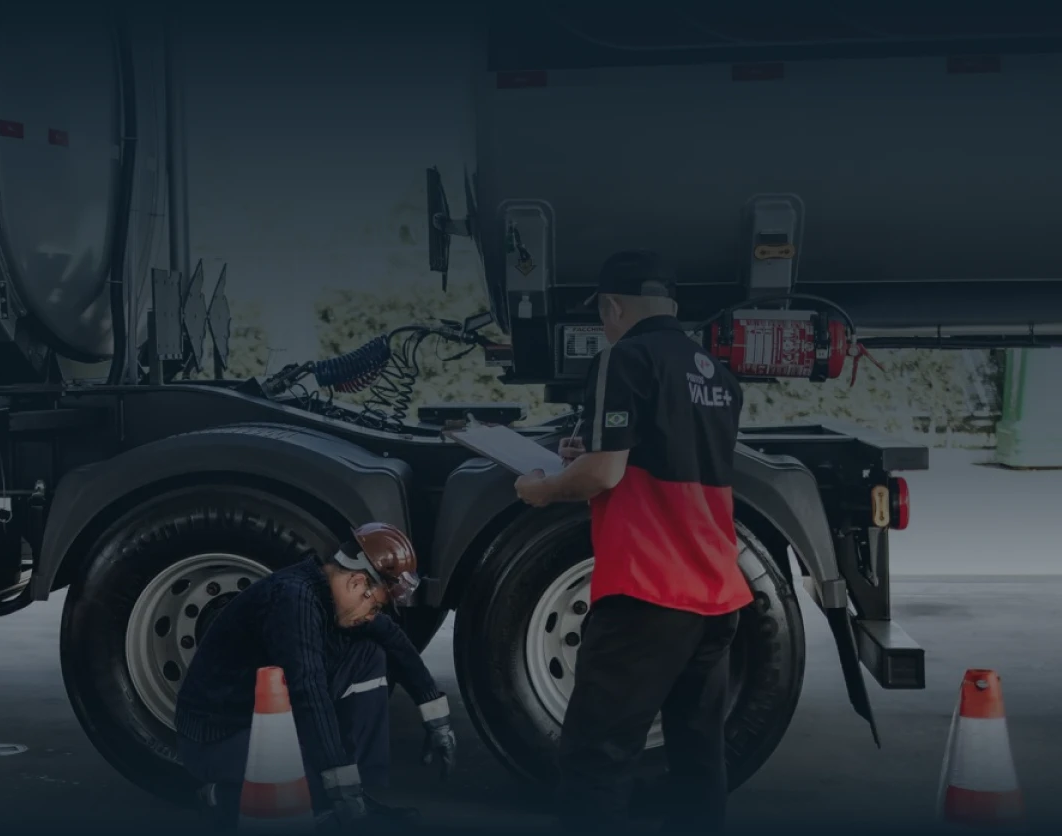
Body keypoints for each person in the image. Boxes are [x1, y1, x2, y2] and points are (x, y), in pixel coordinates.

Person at [513, 250, 751, 832]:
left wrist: (543, 489)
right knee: (698, 756)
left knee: (596, 757)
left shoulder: (625, 358)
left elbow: (603, 476)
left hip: (648, 592)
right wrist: (591, 453)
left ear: (612, 308)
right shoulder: (717, 375)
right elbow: (667, 454)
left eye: (603, 315)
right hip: (716, 591)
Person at [174, 522, 460, 829]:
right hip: (218, 736)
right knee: (313, 783)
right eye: (376, 606)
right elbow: (308, 691)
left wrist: (437, 719)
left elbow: (394, 640)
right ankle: (220, 797)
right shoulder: (293, 600)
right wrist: (338, 780)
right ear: (356, 583)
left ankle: (354, 798)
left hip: (266, 720)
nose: (372, 616)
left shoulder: (331, 595)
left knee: (371, 654)